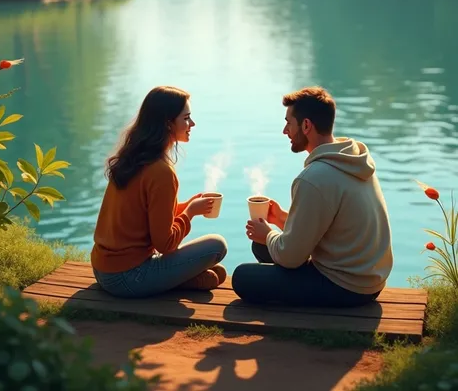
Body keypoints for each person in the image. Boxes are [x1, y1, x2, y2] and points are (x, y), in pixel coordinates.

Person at [232, 87, 393, 307]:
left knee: (242, 277)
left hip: (345, 286)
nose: (284, 130)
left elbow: (290, 257)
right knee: (261, 246)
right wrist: (280, 219)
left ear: (306, 125)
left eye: (289, 123)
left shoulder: (313, 178)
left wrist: (269, 233)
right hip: (371, 279)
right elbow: (332, 225)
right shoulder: (351, 159)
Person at [91, 86, 227, 298]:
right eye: (187, 118)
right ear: (168, 123)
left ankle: (181, 279)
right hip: (128, 276)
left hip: (102, 269)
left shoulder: (132, 158)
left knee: (216, 274)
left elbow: (146, 215)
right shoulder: (162, 173)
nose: (192, 124)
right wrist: (189, 213)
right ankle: (177, 280)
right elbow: (165, 244)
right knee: (216, 246)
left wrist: (183, 206)